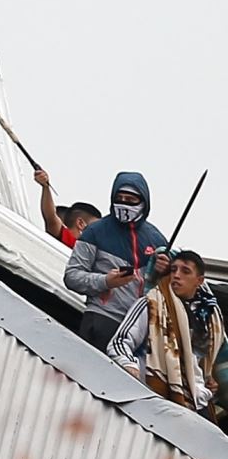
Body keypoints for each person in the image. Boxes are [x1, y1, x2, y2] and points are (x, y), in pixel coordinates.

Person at [107, 252, 227, 416]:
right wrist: (129, 365)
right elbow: (119, 342)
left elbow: (202, 364)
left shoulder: (209, 319)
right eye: (173, 269)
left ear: (199, 281)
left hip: (195, 404)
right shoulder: (151, 304)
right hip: (152, 396)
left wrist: (209, 382)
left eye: (185, 271)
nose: (177, 275)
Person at [65, 172, 171, 350]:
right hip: (101, 318)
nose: (124, 204)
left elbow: (166, 290)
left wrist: (164, 270)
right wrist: (105, 281)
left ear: (144, 202)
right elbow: (71, 276)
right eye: (119, 198)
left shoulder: (157, 239)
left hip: (138, 330)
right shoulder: (94, 232)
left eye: (130, 200)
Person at [34, 168, 101, 249]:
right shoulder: (68, 241)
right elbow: (50, 217)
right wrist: (45, 187)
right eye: (96, 227)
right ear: (80, 223)